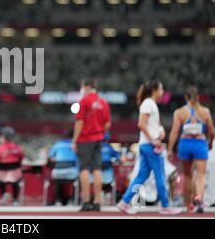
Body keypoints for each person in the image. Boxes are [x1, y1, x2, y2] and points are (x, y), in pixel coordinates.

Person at [117, 80, 181, 215]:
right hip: (150, 145)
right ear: (155, 90)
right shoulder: (148, 103)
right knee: (160, 175)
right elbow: (141, 124)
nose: (163, 92)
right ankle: (165, 205)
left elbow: (154, 124)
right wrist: (153, 140)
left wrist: (161, 131)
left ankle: (124, 202)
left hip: (146, 144)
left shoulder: (151, 104)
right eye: (161, 89)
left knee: (141, 176)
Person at [168, 86, 214, 213]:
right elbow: (212, 131)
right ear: (197, 97)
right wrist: (209, 143)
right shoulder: (205, 111)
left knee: (187, 175)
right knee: (200, 175)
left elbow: (174, 132)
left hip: (185, 143)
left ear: (186, 97)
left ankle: (189, 204)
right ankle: (199, 197)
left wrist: (170, 149)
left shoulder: (179, 112)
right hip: (200, 143)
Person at [72, 78, 111, 212]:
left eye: (82, 87)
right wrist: (100, 132)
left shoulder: (84, 101)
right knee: (97, 169)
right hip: (98, 139)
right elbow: (107, 124)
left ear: (87, 87)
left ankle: (87, 201)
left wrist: (74, 140)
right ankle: (97, 202)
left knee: (84, 169)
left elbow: (79, 122)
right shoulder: (103, 102)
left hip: (85, 139)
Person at [0, 126, 24, 206]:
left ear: (3, 137)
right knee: (16, 181)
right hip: (16, 175)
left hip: (1, 176)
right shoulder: (18, 148)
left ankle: (3, 194)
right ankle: (15, 199)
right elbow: (21, 158)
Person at [48, 128, 79, 206]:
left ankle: (58, 200)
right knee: (82, 177)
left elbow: (50, 157)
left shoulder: (58, 144)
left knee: (58, 180)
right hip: (72, 172)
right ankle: (73, 200)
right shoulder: (76, 144)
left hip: (57, 172)